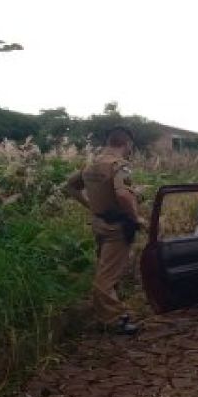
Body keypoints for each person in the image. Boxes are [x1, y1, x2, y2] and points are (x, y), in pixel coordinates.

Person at [62, 126, 145, 335]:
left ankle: (108, 313)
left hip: (99, 224)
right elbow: (124, 195)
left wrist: (90, 206)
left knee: (107, 270)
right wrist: (136, 218)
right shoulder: (119, 166)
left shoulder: (91, 165)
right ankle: (116, 318)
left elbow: (70, 186)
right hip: (117, 226)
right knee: (106, 276)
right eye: (129, 147)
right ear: (127, 144)